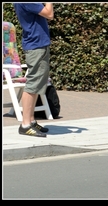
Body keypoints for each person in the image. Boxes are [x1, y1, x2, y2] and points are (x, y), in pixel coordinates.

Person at [13, 3, 54, 137]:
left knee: (36, 84)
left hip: (37, 45)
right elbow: (49, 14)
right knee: (33, 84)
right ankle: (25, 124)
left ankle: (30, 121)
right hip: (36, 46)